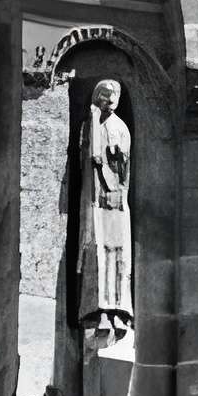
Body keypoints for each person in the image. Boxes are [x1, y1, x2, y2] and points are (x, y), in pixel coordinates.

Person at [76, 78, 132, 335]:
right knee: (95, 249)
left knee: (115, 252)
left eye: (113, 96)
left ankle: (118, 311)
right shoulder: (90, 125)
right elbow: (85, 159)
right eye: (104, 96)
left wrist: (113, 186)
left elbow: (120, 165)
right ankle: (94, 309)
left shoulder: (119, 127)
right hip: (94, 202)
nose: (109, 101)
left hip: (113, 202)